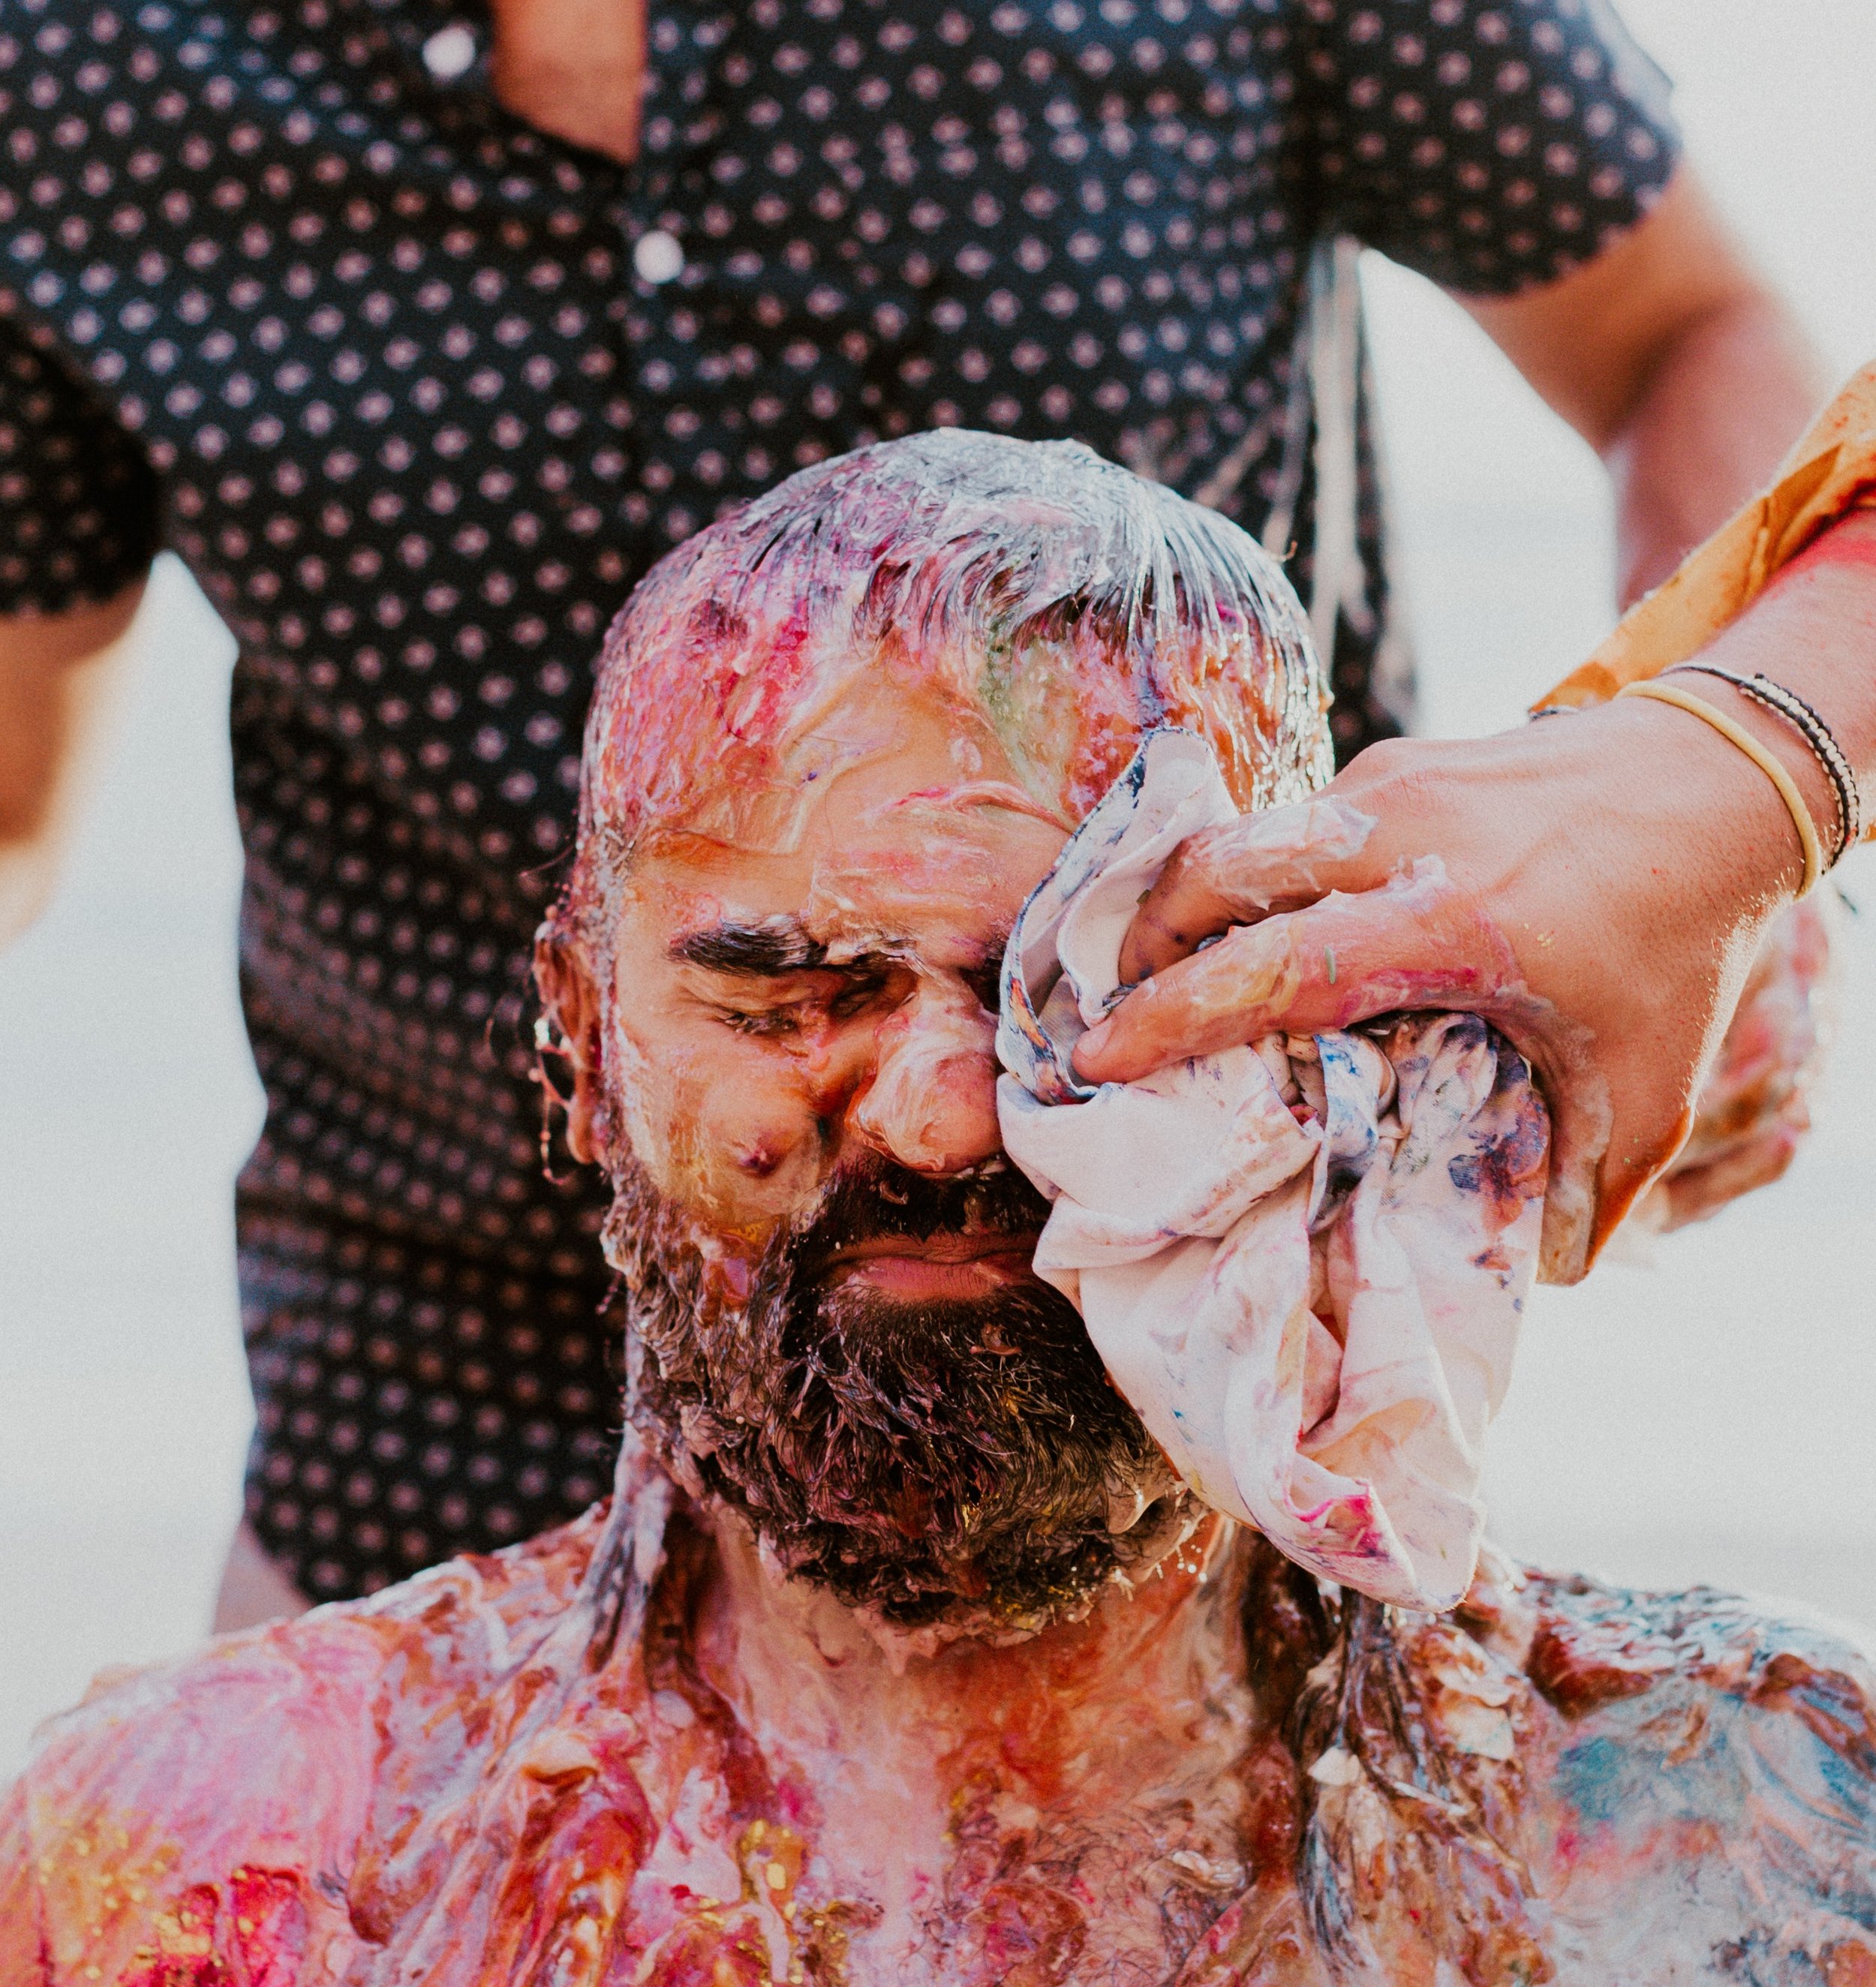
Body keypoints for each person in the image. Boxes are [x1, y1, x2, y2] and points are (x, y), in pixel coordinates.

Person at [4, 437, 1870, 1987]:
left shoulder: (1746, 1879)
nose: (940, 1111)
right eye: (785, 993)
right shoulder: (204, 1878)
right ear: (581, 1040)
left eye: (1084, 987)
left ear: (1333, 1027)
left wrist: (1755, 760)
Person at [0, 0, 1832, 1624]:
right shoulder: (76, 74)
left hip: (1182, 1315)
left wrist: (1682, 822)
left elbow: (1684, 322)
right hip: (443, 1371)